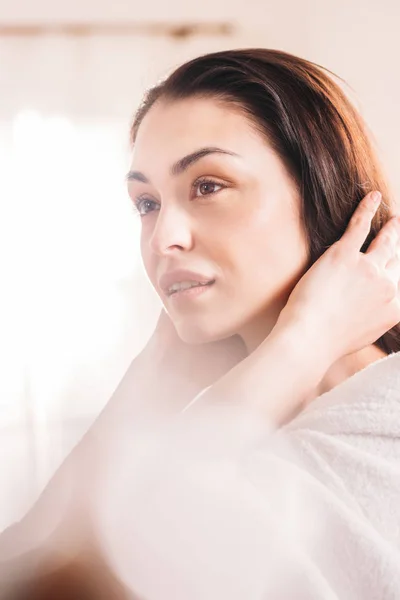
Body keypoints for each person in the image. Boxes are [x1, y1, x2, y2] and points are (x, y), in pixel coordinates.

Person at [1, 48, 400, 599]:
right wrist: (156, 371)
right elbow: (23, 570)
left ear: (319, 192)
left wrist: (306, 341)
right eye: (146, 203)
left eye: (208, 186)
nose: (164, 238)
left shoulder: (372, 440)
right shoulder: (225, 431)